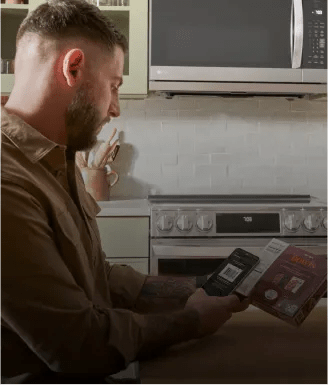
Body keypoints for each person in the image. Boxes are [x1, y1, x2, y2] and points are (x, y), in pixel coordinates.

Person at [0, 0, 249, 383]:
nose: (115, 108)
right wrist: (194, 321)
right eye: (114, 86)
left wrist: (200, 288)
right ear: (73, 68)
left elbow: (100, 278)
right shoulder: (8, 182)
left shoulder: (56, 158)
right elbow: (78, 345)